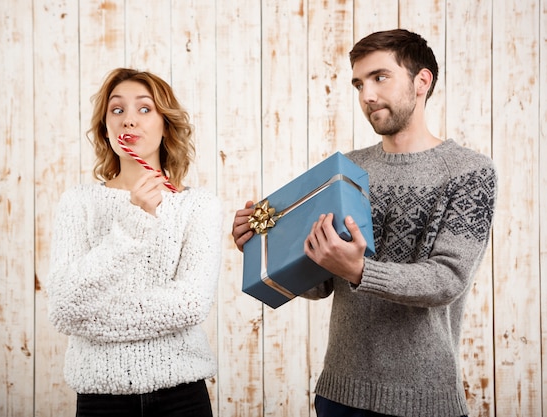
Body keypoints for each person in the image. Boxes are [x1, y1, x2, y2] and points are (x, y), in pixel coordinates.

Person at [232, 29, 497, 417]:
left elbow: (447, 280)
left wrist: (359, 269)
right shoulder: (349, 169)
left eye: (380, 77)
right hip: (339, 394)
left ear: (422, 81)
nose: (366, 95)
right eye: (359, 84)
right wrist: (260, 245)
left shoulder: (470, 172)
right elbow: (322, 280)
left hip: (423, 400)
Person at [47, 68, 221, 417]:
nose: (129, 121)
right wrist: (133, 221)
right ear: (105, 127)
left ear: (165, 124)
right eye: (117, 110)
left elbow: (188, 305)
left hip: (182, 397)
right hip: (100, 398)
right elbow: (64, 308)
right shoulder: (78, 202)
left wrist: (93, 317)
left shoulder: (198, 206)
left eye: (144, 109)